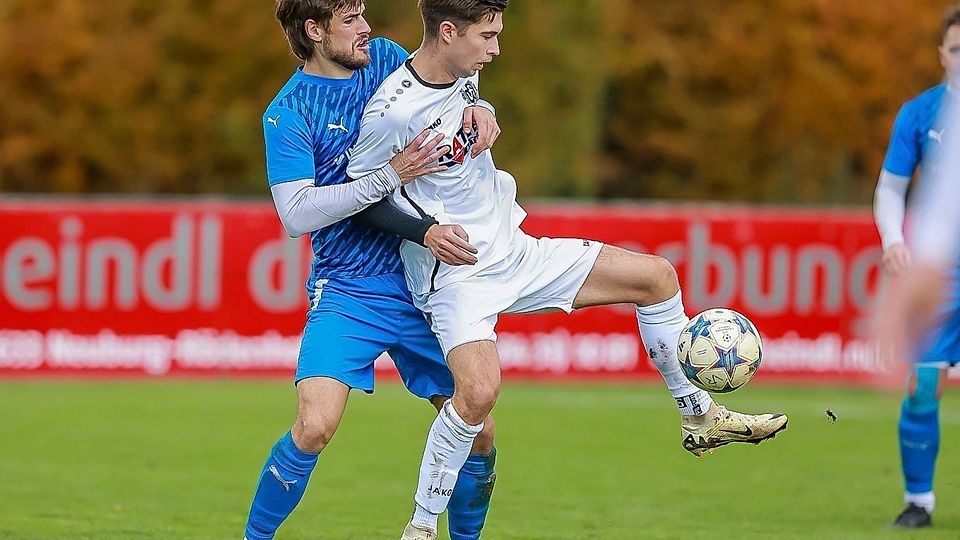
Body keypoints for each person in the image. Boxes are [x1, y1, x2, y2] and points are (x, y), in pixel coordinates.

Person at [345, 2, 788, 538]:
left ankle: (698, 415)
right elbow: (362, 196)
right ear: (446, 32)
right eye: (487, 36)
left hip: (518, 253)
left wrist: (480, 105)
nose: (496, 48)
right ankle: (420, 528)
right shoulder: (392, 109)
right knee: (479, 396)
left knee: (656, 278)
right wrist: (425, 233)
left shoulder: (463, 76)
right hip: (455, 275)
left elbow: (458, 101)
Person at [243, 2, 503, 539]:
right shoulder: (287, 111)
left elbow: (447, 76)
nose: (367, 29)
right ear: (314, 32)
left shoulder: (383, 58)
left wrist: (480, 104)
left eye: (363, 15)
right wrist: (388, 175)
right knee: (314, 425)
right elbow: (297, 215)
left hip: (423, 279)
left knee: (478, 428)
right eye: (350, 21)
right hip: (350, 287)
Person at [872, 5, 960, 529]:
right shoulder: (923, 114)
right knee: (923, 383)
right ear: (942, 55)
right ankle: (918, 504)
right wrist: (894, 238)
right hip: (942, 273)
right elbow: (891, 187)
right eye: (957, 51)